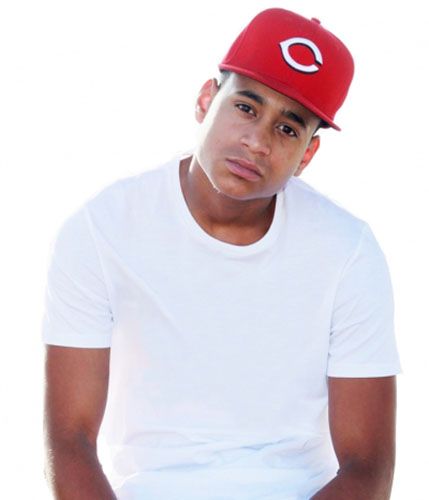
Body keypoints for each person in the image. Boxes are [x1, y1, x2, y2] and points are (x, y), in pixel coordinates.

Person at [42, 8, 401, 500]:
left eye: (288, 129)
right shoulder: (102, 230)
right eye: (246, 107)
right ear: (206, 100)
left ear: (306, 156)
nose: (257, 142)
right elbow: (70, 440)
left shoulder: (347, 251)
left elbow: (368, 466)